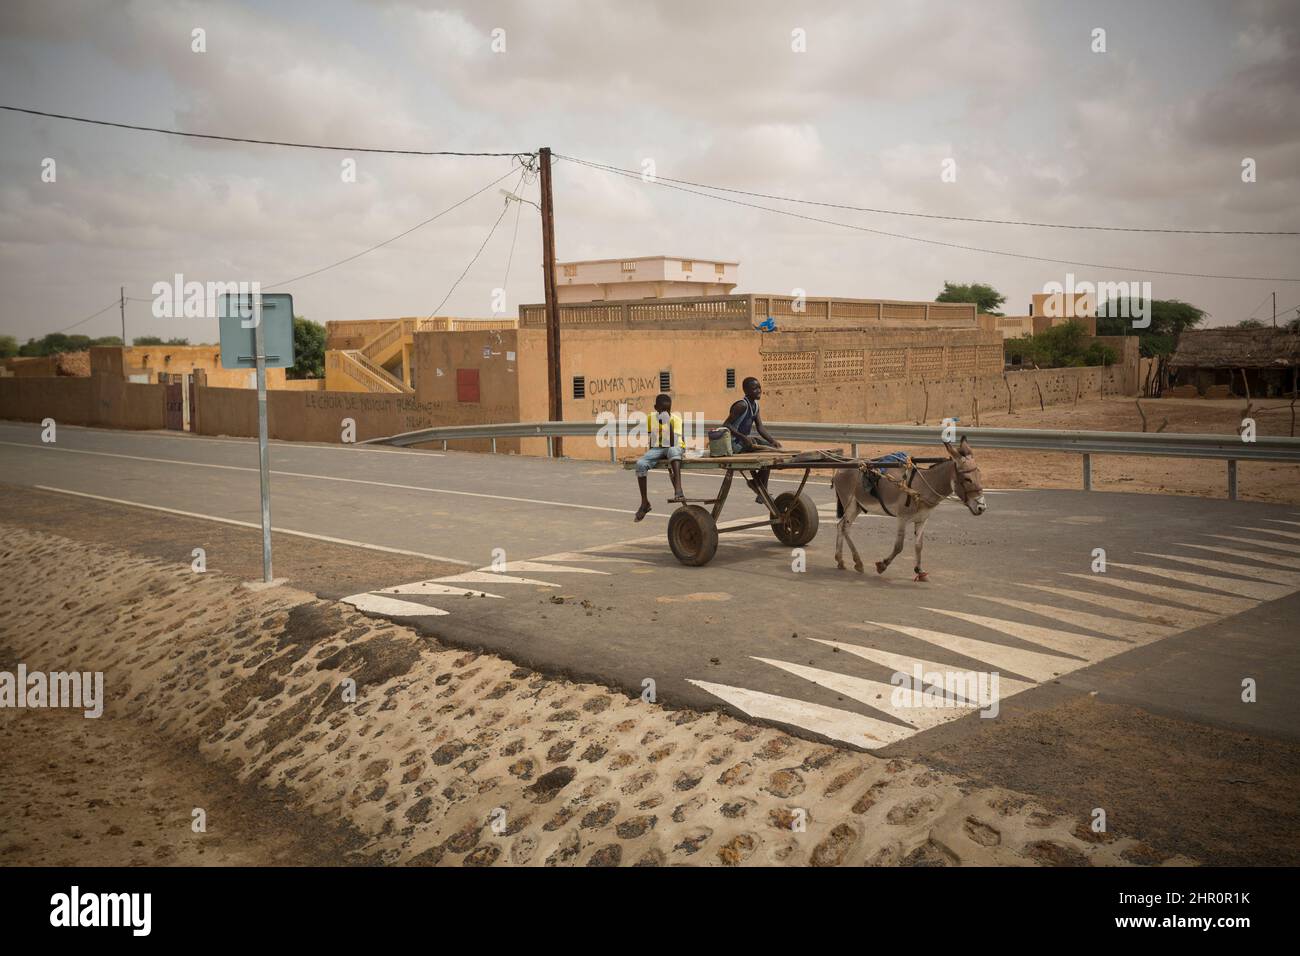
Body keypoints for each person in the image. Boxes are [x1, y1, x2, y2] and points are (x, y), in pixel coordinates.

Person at [724, 376, 781, 503]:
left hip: (745, 441)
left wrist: (772, 441)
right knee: (766, 454)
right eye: (755, 388)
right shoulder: (741, 405)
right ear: (746, 391)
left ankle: (758, 485)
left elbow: (760, 427)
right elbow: (726, 425)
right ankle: (760, 488)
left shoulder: (755, 406)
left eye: (759, 387)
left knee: (771, 449)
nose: (759, 390)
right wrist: (743, 437)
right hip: (734, 443)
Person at [634, 393, 686, 521]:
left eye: (668, 410)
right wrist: (651, 456)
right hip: (659, 447)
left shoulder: (676, 419)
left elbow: (673, 442)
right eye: (663, 410)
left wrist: (668, 423)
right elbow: (652, 440)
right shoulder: (651, 418)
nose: (666, 412)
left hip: (675, 445)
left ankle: (678, 488)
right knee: (640, 464)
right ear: (656, 408)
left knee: (673, 451)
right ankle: (644, 502)